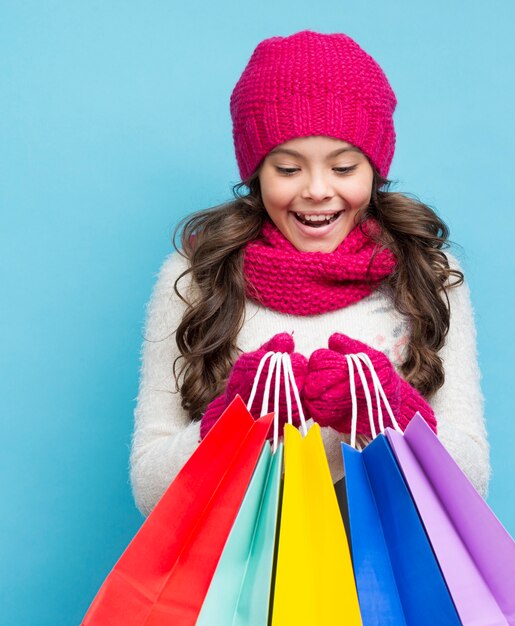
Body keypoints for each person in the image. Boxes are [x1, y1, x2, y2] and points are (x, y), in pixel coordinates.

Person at [130, 30, 491, 516]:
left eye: (344, 168)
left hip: (385, 574)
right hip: (237, 575)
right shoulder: (198, 277)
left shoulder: (428, 273)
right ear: (257, 172)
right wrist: (234, 423)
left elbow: (472, 487)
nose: (318, 190)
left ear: (375, 169)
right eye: (288, 168)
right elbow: (150, 494)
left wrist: (393, 413)